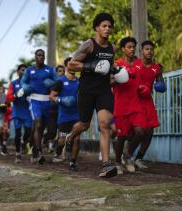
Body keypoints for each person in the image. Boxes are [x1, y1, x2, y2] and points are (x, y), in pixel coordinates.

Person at [66, 12, 128, 178]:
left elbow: (111, 63)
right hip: (86, 90)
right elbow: (72, 65)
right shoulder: (89, 45)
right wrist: (91, 66)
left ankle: (106, 165)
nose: (107, 29)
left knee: (105, 124)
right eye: (104, 26)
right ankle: (70, 137)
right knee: (84, 125)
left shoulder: (112, 48)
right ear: (96, 28)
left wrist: (117, 70)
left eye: (109, 26)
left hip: (103, 90)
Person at [127, 40, 166, 169]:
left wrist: (161, 84)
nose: (149, 51)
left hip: (148, 101)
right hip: (134, 101)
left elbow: (161, 84)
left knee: (149, 132)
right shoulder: (135, 64)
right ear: (141, 51)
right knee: (139, 132)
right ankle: (127, 156)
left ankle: (138, 159)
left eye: (151, 49)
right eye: (146, 49)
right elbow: (126, 81)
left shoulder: (157, 68)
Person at [113, 37, 147, 174]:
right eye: (129, 47)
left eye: (133, 46)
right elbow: (110, 82)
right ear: (123, 49)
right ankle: (117, 162)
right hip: (121, 106)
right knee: (121, 137)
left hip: (135, 105)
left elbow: (140, 81)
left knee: (141, 131)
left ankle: (127, 156)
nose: (132, 49)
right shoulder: (117, 64)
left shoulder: (139, 64)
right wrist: (120, 77)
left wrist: (142, 87)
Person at [19, 49, 57, 164]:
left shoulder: (50, 70)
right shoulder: (30, 70)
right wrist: (26, 87)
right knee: (38, 123)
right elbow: (23, 82)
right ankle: (39, 152)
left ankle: (34, 145)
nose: (40, 57)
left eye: (42, 55)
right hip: (35, 100)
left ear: (44, 57)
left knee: (50, 131)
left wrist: (52, 84)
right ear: (35, 57)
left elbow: (58, 83)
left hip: (48, 101)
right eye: (38, 55)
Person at [50, 57, 80, 171]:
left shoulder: (79, 82)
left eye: (75, 65)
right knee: (62, 140)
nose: (73, 67)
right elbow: (52, 96)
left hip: (77, 114)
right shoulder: (60, 81)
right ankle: (57, 152)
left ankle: (73, 163)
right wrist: (62, 100)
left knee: (77, 139)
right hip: (64, 115)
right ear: (67, 66)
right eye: (71, 65)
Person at [6, 64, 33, 163]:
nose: (24, 72)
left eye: (26, 70)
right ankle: (18, 154)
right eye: (22, 70)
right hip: (17, 112)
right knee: (17, 133)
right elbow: (8, 98)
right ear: (18, 72)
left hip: (28, 113)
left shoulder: (30, 83)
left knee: (28, 132)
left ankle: (23, 142)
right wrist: (16, 95)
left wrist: (30, 97)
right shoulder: (13, 84)